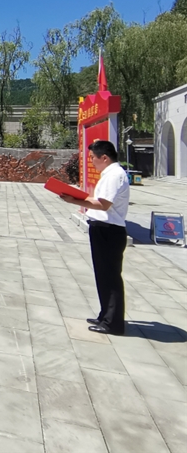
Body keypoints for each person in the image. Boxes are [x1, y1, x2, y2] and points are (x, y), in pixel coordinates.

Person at [59, 140, 130, 336]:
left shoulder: (114, 175)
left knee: (110, 276)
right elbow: (100, 201)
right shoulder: (110, 174)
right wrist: (76, 198)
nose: (91, 161)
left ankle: (112, 323)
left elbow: (103, 205)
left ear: (104, 157)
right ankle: (105, 315)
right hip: (103, 229)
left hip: (109, 230)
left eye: (93, 158)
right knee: (103, 275)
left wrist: (75, 200)